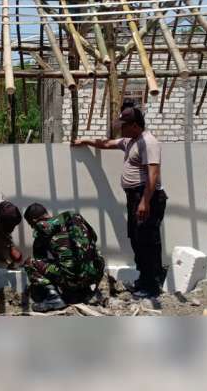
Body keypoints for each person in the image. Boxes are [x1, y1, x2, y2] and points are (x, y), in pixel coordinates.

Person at [72, 106, 168, 299]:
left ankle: (151, 286)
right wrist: (85, 141)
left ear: (134, 125)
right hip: (136, 197)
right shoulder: (131, 141)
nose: (120, 130)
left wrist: (145, 202)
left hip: (146, 197)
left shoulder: (147, 143)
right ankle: (145, 278)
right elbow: (107, 144)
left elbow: (153, 174)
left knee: (147, 241)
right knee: (137, 239)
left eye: (123, 126)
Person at [22, 203, 105, 312]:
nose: (33, 228)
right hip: (93, 275)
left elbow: (39, 257)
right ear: (46, 213)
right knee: (91, 254)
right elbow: (94, 237)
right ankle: (88, 292)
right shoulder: (75, 217)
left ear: (34, 220)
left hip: (71, 281)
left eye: (31, 225)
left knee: (30, 263)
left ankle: (54, 298)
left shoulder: (41, 229)